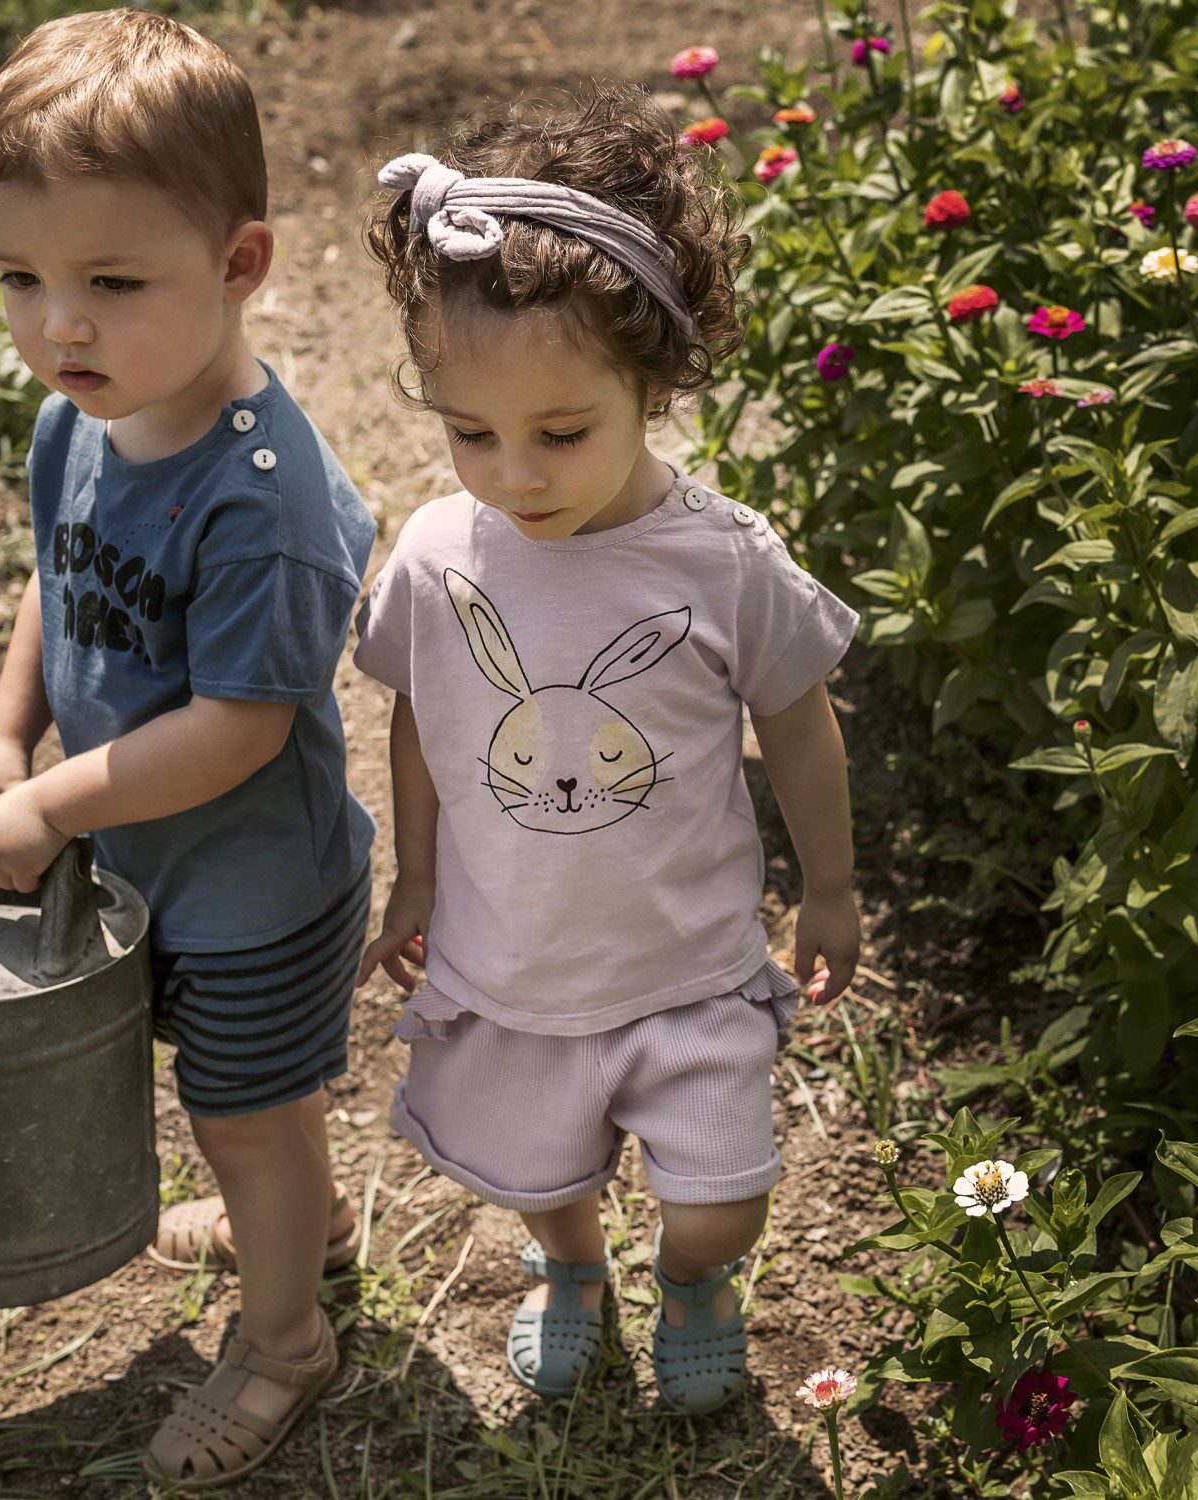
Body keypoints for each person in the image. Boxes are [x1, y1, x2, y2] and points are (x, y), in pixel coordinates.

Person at [353, 82, 863, 1415]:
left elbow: (798, 716)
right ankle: (572, 1271)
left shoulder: (721, 557)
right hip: (514, 961)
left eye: (560, 433)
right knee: (544, 1177)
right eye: (472, 434)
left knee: (726, 1192)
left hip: (687, 964)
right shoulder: (439, 553)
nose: (513, 475)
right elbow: (419, 711)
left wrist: (830, 884)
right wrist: (415, 877)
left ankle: (695, 1280)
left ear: (656, 377)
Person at [0, 11, 375, 1487]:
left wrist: (54, 802)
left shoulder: (262, 495)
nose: (61, 326)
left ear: (240, 266)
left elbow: (241, 731)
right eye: (23, 279)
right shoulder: (84, 423)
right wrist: (6, 741)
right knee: (241, 1111)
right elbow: (57, 585)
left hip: (252, 885)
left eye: (113, 282)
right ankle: (307, 1215)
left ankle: (288, 1337)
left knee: (243, 1114)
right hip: (144, 865)